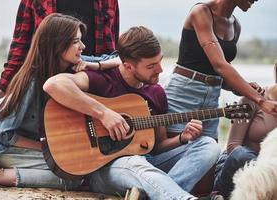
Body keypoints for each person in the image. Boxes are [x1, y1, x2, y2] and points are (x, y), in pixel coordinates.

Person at [44, 26, 222, 200]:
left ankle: (163, 192)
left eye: (160, 60)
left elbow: (159, 145)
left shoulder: (156, 92)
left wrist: (182, 138)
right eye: (151, 65)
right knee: (135, 163)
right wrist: (104, 114)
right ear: (128, 67)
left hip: (148, 163)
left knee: (208, 145)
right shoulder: (103, 80)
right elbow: (53, 85)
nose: (160, 69)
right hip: (107, 169)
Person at [0, 13, 107, 190]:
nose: (83, 46)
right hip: (2, 146)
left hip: (29, 141)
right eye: (76, 41)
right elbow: (2, 134)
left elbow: (120, 59)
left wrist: (96, 66)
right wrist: (49, 148)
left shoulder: (77, 65)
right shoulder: (31, 81)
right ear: (57, 45)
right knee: (72, 176)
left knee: (76, 166)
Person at [164, 0, 277, 140]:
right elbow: (219, 64)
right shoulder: (201, 12)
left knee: (209, 154)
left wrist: (242, 87)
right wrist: (261, 101)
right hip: (184, 94)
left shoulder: (236, 26)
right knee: (175, 151)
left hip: (212, 100)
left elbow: (221, 73)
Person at [0, 0, 119, 112]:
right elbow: (20, 44)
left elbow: (114, 47)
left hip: (92, 80)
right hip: (50, 85)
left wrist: (102, 69)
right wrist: (2, 86)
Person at [213, 66, 277, 198]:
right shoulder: (253, 97)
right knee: (241, 154)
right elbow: (233, 147)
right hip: (236, 167)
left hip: (270, 177)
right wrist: (265, 167)